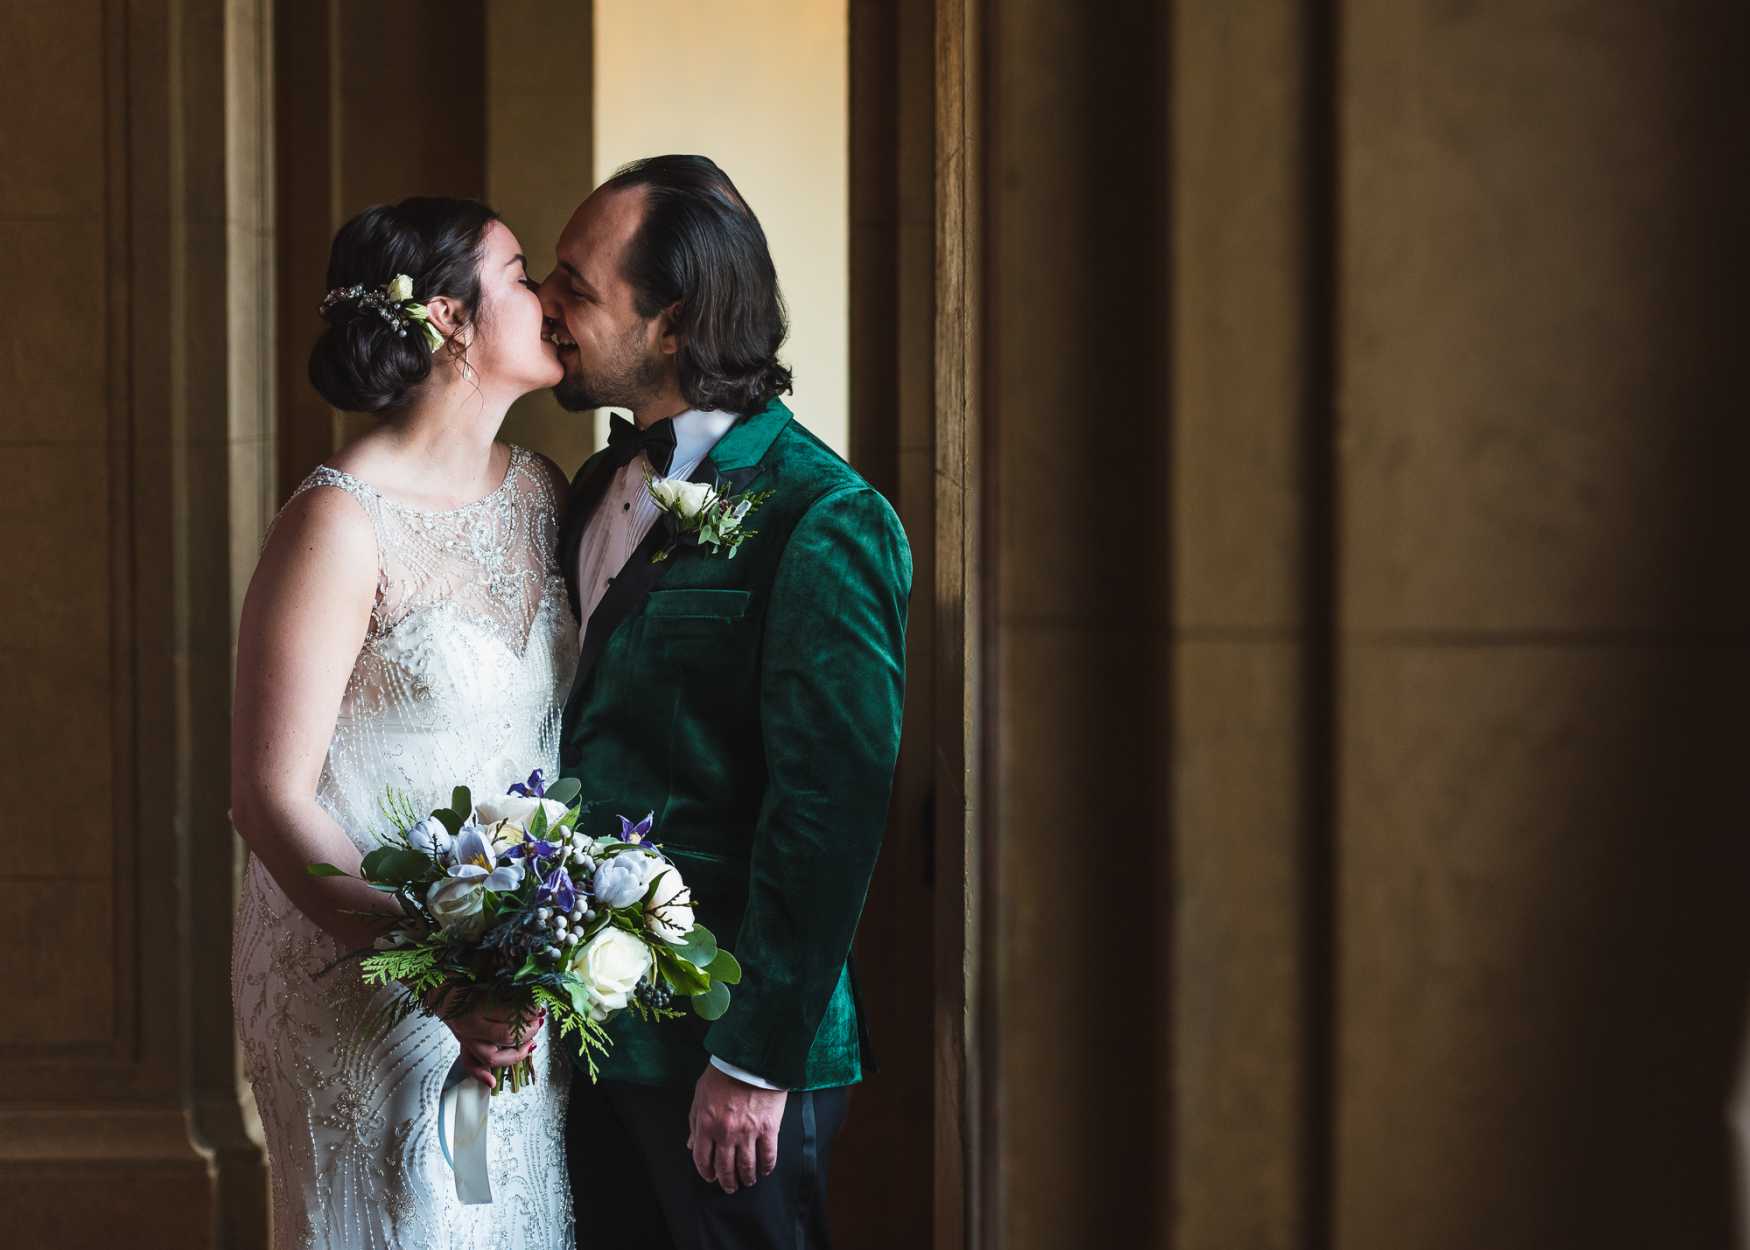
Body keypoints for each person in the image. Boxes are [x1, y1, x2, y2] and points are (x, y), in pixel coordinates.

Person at [542, 155, 912, 1250]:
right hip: (590, 1033)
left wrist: (751, 1062)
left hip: (730, 1056)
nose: (544, 305)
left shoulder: (823, 517)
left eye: (575, 285)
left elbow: (829, 812)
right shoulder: (591, 487)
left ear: (672, 323)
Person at [229, 197, 578, 1249]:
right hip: (365, 974)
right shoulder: (339, 521)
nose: (547, 296)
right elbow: (267, 796)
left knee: (496, 1217)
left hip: (510, 976)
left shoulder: (544, 493)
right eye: (519, 273)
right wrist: (439, 973)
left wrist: (509, 963)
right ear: (450, 315)